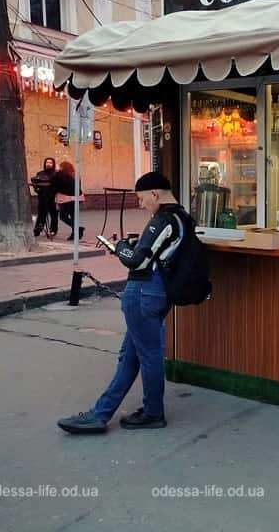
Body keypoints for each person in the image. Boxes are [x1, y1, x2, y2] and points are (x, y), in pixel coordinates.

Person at [57, 172, 186, 434]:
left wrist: (120, 248)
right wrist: (136, 245)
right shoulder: (182, 217)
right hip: (159, 292)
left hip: (143, 292)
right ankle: (100, 414)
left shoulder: (162, 219)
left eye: (141, 199)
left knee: (148, 356)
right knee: (131, 356)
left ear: (155, 193)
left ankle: (152, 413)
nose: (140, 205)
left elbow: (137, 261)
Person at [52, 161, 85, 241]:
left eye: (60, 166)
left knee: (63, 216)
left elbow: (56, 185)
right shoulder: (75, 175)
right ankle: (75, 234)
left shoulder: (61, 175)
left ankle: (78, 229)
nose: (59, 168)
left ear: (63, 167)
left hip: (67, 199)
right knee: (73, 216)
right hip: (77, 198)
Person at [30, 157, 58, 237]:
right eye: (47, 162)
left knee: (54, 215)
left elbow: (58, 185)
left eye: (50, 163)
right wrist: (38, 190)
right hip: (42, 197)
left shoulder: (55, 174)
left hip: (53, 198)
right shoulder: (40, 173)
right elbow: (36, 184)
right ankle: (38, 229)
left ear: (53, 164)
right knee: (41, 214)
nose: (48, 164)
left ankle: (53, 229)